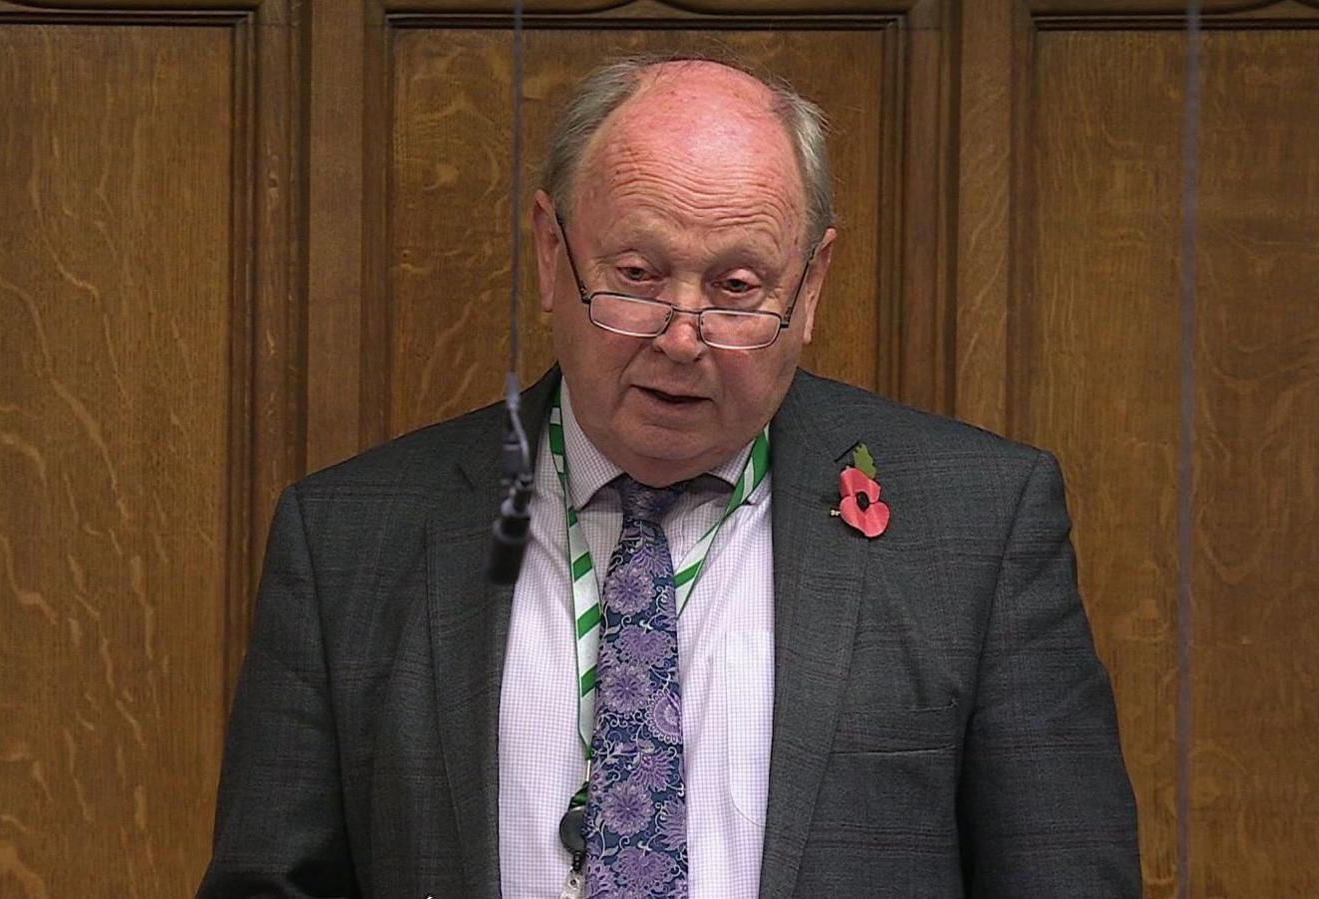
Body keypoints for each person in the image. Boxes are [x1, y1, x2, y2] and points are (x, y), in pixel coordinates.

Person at [199, 55, 1139, 899]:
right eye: (638, 275)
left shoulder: (976, 524)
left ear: (809, 286)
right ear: (549, 252)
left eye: (737, 288)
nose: (682, 337)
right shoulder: (351, 539)